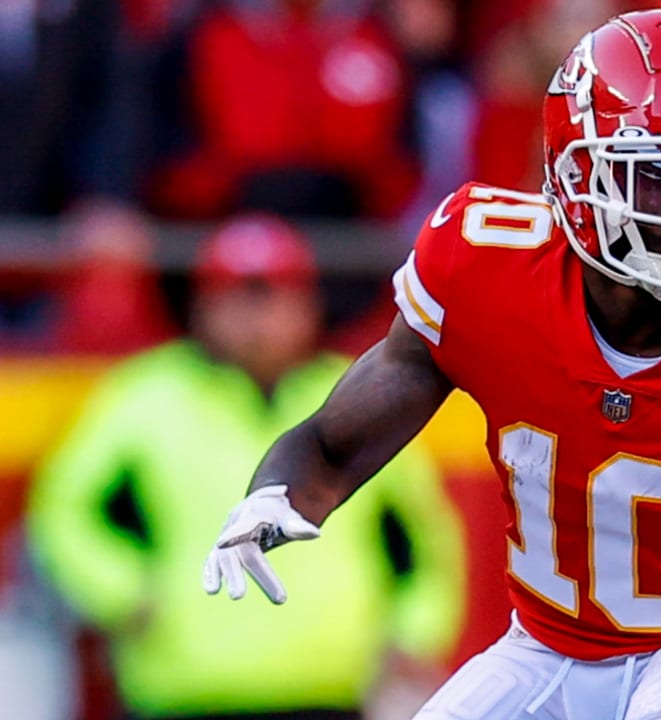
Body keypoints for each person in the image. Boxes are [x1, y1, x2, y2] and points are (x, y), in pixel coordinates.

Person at [204, 10, 661, 719]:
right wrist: (280, 491)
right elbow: (335, 442)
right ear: (575, 174)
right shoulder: (482, 267)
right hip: (542, 647)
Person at [28, 214, 466, 720]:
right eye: (237, 298)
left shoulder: (356, 395)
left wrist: (416, 630)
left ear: (308, 306)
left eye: (272, 297)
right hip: (181, 689)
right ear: (202, 306)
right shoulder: (146, 398)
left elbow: (419, 532)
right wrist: (121, 594)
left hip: (327, 689)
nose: (257, 319)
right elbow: (65, 509)